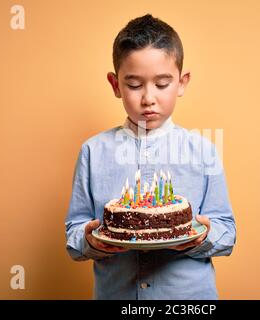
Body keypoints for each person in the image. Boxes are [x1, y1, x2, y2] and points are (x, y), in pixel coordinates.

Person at [65, 13, 236, 299]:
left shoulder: (203, 150)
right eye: (134, 85)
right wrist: (90, 240)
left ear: (182, 83)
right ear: (115, 84)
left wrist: (202, 237)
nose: (148, 98)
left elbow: (227, 232)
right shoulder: (92, 152)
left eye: (162, 84)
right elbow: (73, 236)